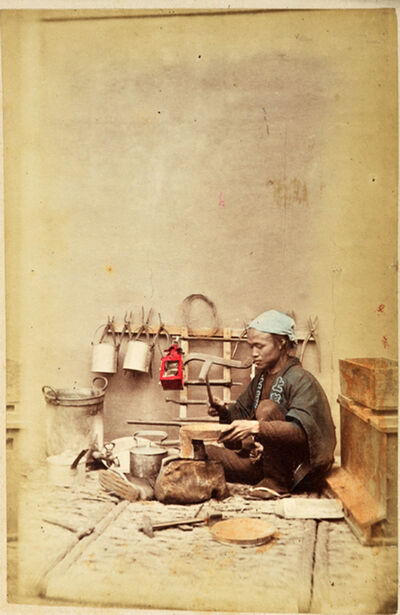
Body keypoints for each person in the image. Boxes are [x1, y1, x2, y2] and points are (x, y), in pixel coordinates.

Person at [206, 310, 336, 493]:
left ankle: (277, 484)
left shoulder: (301, 379)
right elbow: (239, 417)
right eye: (251, 346)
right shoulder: (261, 379)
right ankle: (269, 477)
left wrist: (257, 427)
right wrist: (223, 411)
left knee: (266, 408)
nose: (254, 353)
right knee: (205, 453)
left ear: (281, 343)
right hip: (264, 462)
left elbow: (302, 432)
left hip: (298, 470)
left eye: (260, 346)